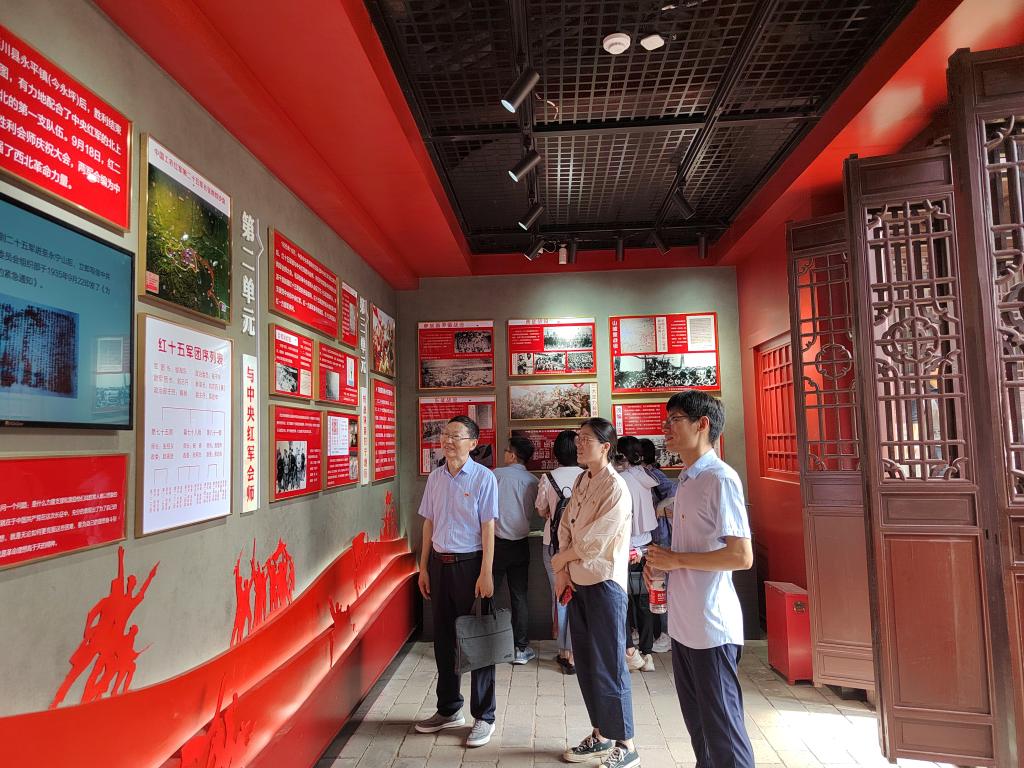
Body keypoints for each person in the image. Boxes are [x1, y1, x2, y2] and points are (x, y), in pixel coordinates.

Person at [645, 390, 755, 768]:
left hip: (711, 627)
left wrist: (676, 559)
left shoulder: (720, 479)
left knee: (724, 736)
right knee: (701, 734)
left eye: (674, 420)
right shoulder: (687, 479)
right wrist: (664, 563)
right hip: (683, 624)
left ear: (702, 424)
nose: (666, 429)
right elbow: (693, 550)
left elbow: (741, 556)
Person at [551, 418, 640, 768]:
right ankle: (601, 734)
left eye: (586, 439)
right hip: (577, 582)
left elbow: (594, 542)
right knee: (587, 663)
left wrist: (561, 559)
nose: (579, 444)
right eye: (578, 438)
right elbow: (565, 525)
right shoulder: (581, 479)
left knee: (610, 665)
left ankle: (626, 744)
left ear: (605, 446)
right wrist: (562, 570)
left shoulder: (616, 487)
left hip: (604, 584)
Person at [415, 415, 499, 748]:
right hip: (440, 565)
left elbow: (488, 527)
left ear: (473, 443)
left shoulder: (484, 478)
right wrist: (423, 567)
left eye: (456, 436)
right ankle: (449, 708)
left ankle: (485, 716)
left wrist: (486, 571)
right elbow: (428, 523)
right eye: (445, 435)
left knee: (478, 642)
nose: (448, 441)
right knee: (444, 641)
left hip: (471, 565)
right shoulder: (435, 478)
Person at [535, 429, 584, 674]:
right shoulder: (588, 476)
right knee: (579, 595)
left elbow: (541, 509)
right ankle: (576, 653)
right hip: (579, 545)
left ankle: (564, 651)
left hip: (552, 543)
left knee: (560, 595)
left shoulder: (548, 478)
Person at [491, 435, 539, 664]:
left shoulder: (495, 475)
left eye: (505, 451)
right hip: (521, 544)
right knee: (519, 596)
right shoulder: (533, 480)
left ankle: (486, 644)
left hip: (495, 544)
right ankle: (521, 648)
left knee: (488, 593)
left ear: (512, 455)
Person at [617, 436, 658, 673]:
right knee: (644, 600)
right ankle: (648, 652)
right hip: (646, 544)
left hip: (626, 547)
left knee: (622, 599)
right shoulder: (646, 477)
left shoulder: (621, 480)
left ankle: (630, 651)